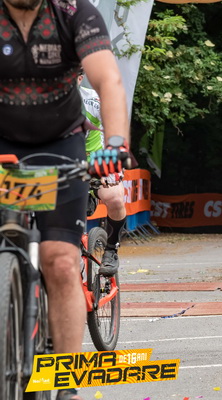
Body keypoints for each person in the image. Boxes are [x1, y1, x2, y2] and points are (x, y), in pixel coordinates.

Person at [0, 0, 129, 399]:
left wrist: (114, 145)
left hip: (61, 145)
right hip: (3, 146)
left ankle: (65, 383)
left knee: (60, 260)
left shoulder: (74, 14)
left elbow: (108, 80)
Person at [79, 72, 127, 276]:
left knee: (114, 197)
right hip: (60, 162)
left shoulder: (94, 100)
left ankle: (111, 249)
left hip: (96, 160)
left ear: (79, 78)